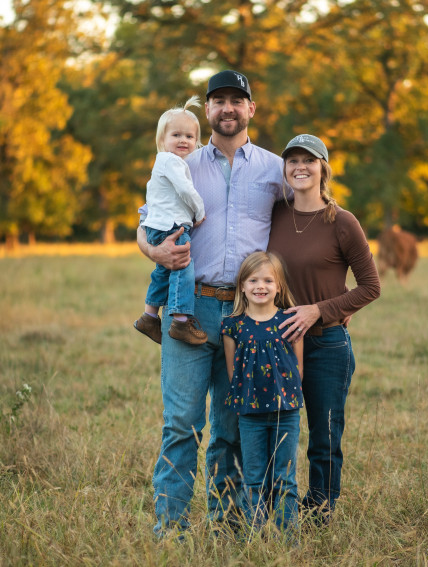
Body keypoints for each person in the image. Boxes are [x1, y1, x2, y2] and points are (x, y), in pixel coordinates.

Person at [137, 70, 286, 536]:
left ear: (251, 110)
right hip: (191, 308)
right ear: (208, 110)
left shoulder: (272, 167)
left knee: (230, 425)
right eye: (218, 101)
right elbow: (146, 222)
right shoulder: (181, 160)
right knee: (182, 424)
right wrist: (152, 250)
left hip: (245, 316)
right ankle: (170, 529)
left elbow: (309, 210)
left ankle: (226, 525)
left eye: (236, 101)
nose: (228, 108)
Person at [267, 133, 381, 525]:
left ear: (323, 168)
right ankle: (276, 508)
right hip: (278, 343)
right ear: (285, 169)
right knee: (275, 431)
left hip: (327, 345)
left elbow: (371, 286)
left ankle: (320, 513)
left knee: (324, 436)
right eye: (293, 160)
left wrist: (322, 309)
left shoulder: (342, 222)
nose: (300, 166)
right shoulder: (275, 213)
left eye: (309, 160)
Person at [222, 251, 304, 536]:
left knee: (284, 477)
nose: (261, 286)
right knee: (254, 478)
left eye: (268, 280)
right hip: (250, 416)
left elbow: (298, 368)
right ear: (242, 286)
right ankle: (254, 537)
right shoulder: (232, 325)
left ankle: (286, 537)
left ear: (279, 286)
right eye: (253, 279)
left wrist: (286, 397)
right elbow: (233, 373)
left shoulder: (290, 321)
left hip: (286, 412)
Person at [134, 96, 208, 346]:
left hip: (159, 223)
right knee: (183, 268)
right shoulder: (170, 161)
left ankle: (149, 316)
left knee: (162, 272)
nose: (183, 140)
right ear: (162, 140)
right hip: (172, 227)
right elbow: (186, 190)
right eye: (176, 135)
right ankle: (180, 321)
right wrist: (199, 212)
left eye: (189, 136)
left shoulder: (164, 164)